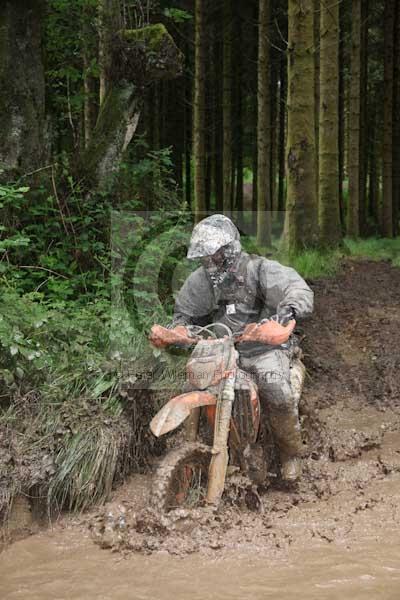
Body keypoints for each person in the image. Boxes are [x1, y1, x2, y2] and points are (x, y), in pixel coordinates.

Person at [170, 214, 314, 482]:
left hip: (264, 348)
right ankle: (190, 449)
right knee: (191, 383)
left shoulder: (259, 269)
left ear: (228, 250)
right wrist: (176, 330)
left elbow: (297, 289)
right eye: (204, 257)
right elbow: (184, 315)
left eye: (213, 256)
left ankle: (290, 454)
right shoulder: (201, 280)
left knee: (275, 388)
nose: (208, 262)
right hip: (221, 349)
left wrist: (285, 315)